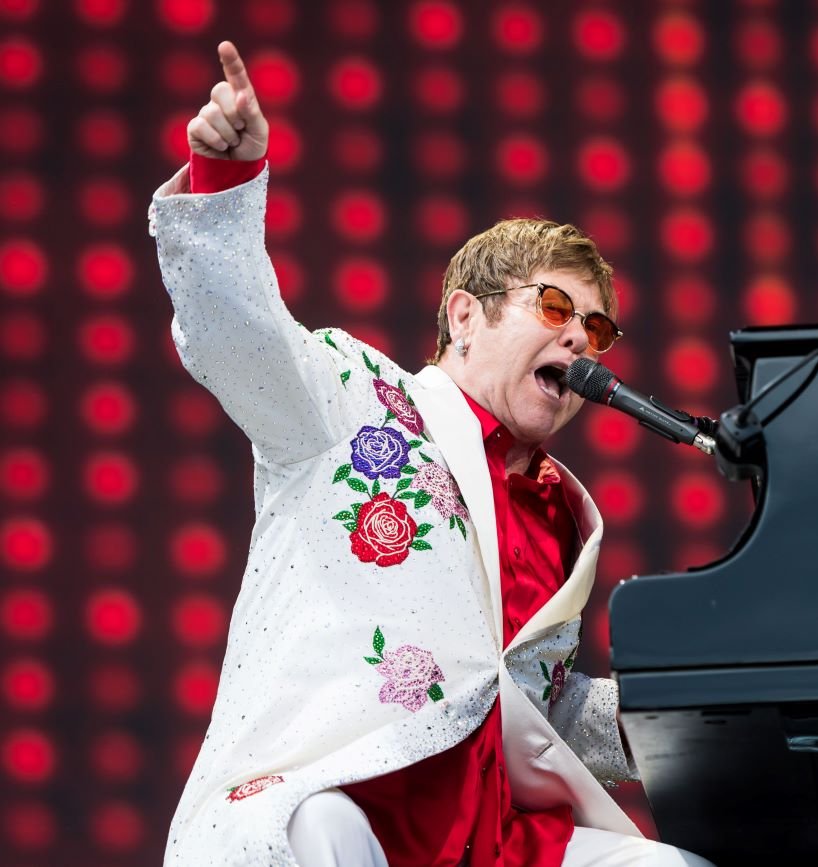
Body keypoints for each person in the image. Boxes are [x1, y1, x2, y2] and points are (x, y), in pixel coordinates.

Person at [150, 41, 713, 867]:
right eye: (555, 305)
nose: (579, 338)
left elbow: (525, 708)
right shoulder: (357, 397)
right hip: (346, 801)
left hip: (491, 835)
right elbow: (246, 341)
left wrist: (708, 701)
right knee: (322, 827)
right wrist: (225, 182)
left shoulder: (562, 512)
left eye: (596, 328)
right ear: (464, 317)